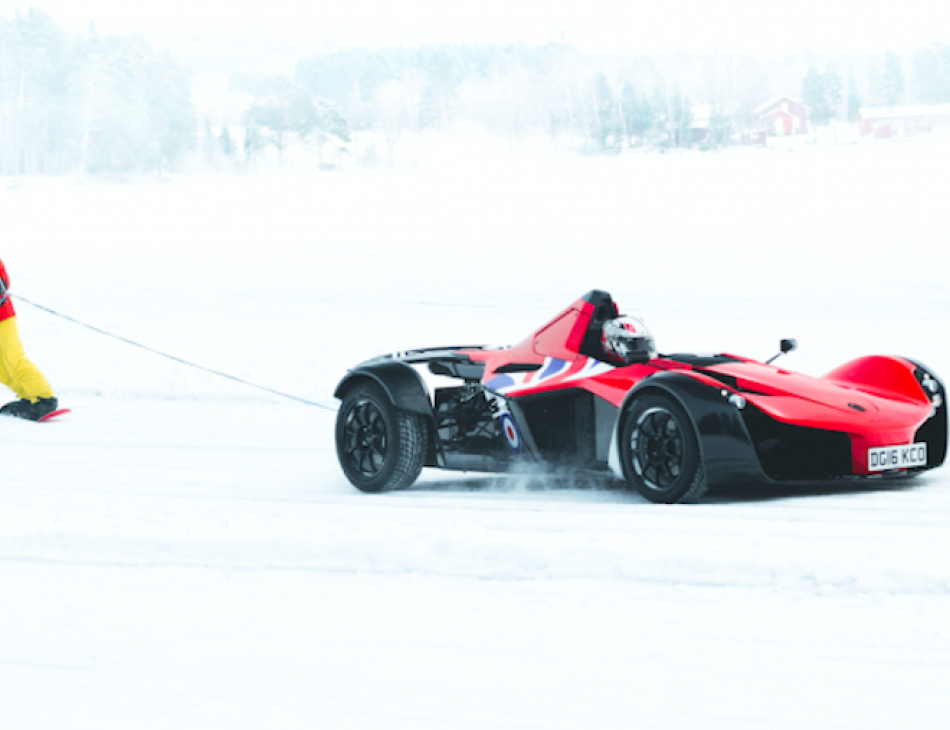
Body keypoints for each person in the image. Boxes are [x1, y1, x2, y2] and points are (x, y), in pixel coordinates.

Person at [0, 258, 59, 420]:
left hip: (2, 317)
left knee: (13, 358)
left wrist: (1, 285)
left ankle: (44, 398)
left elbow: (3, 279)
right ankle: (28, 398)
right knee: (1, 368)